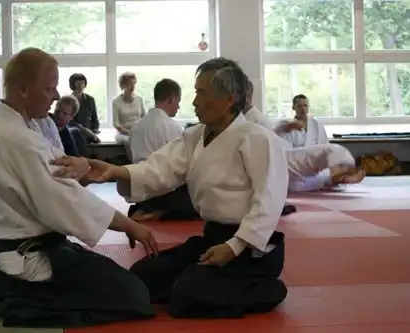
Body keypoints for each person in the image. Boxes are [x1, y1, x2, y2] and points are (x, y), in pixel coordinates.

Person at [55, 57, 289, 318]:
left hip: (249, 249)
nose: (194, 101)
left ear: (230, 99)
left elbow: (269, 201)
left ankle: (268, 288)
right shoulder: (195, 136)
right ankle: (199, 282)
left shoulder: (258, 139)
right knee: (144, 276)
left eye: (202, 93)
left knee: (187, 296)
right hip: (212, 239)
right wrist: (115, 171)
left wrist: (234, 246)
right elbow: (161, 168)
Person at [0, 47, 158, 328]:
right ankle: (15, 297)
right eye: (50, 88)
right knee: (134, 296)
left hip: (14, 248)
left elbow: (57, 179)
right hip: (27, 256)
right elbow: (64, 199)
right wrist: (129, 225)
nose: (57, 96)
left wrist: (84, 167)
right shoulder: (18, 138)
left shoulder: (10, 126)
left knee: (118, 278)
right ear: (24, 90)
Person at [128, 78, 199, 221]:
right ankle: (159, 211)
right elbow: (181, 165)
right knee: (201, 202)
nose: (178, 107)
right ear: (170, 98)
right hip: (162, 190)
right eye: (177, 101)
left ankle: (146, 208)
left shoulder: (137, 127)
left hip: (139, 189)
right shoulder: (171, 126)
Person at [287, 143, 366, 192]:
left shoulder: (345, 157)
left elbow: (333, 177)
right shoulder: (339, 152)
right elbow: (333, 176)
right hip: (287, 165)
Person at [112, 72, 146, 145]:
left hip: (138, 131)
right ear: (123, 85)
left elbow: (144, 117)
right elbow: (116, 124)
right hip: (123, 134)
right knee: (129, 141)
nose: (132, 86)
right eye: (129, 84)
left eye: (134, 83)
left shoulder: (139, 99)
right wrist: (130, 133)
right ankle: (133, 157)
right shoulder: (116, 101)